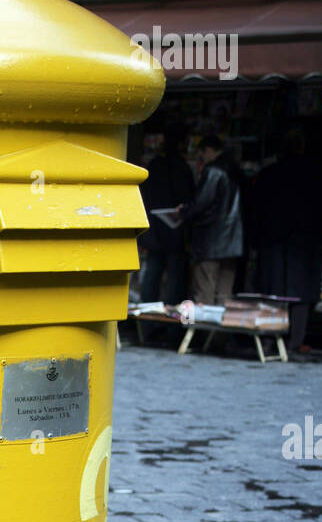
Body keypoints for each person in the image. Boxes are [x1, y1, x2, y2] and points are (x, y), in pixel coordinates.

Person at [249, 130, 322, 355]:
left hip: (273, 241)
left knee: (273, 293)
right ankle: (294, 342)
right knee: (300, 295)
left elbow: (255, 209)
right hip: (304, 242)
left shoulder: (269, 174)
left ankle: (270, 340)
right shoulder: (315, 174)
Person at [179, 133, 243, 305]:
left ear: (207, 151)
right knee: (224, 293)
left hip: (211, 241)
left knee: (205, 290)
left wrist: (183, 212)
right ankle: (220, 333)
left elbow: (202, 203)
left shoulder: (213, 170)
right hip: (232, 243)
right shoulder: (235, 169)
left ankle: (202, 332)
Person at [138, 125, 195, 305]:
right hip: (174, 232)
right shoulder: (181, 167)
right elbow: (186, 198)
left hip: (153, 231)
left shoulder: (154, 165)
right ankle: (172, 328)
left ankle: (147, 326)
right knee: (175, 282)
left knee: (151, 279)